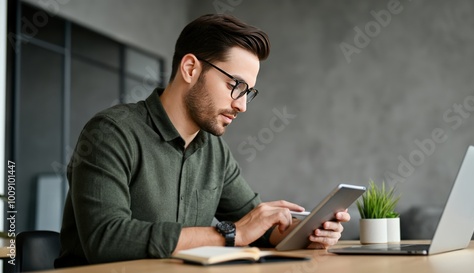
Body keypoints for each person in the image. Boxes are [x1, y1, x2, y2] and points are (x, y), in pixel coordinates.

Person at [55, 14, 350, 268]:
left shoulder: (214, 151)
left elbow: (257, 228)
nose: (242, 105)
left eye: (249, 92)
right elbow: (107, 239)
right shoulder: (111, 133)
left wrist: (305, 233)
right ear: (190, 69)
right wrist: (230, 233)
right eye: (235, 86)